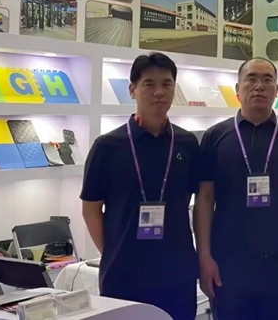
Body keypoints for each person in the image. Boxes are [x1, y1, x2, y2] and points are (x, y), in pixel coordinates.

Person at [194, 57, 278, 320]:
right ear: (238, 89)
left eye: (268, 80)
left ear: (277, 90)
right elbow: (205, 199)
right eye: (252, 79)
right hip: (229, 267)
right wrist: (204, 257)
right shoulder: (215, 136)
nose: (259, 86)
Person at [80, 53, 200, 320]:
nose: (159, 92)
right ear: (132, 89)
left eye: (167, 84)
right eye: (149, 84)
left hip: (176, 272)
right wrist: (113, 252)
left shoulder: (187, 143)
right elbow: (90, 209)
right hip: (124, 274)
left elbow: (196, 201)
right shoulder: (107, 147)